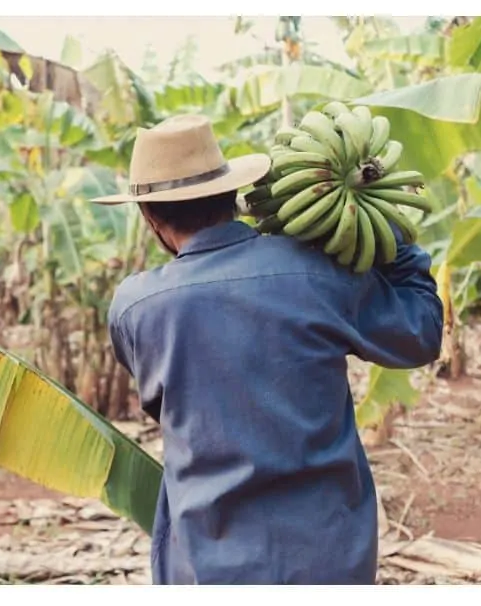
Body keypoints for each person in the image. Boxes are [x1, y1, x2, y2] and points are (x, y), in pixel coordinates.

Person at [92, 114, 444, 584]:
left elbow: (167, 401)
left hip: (204, 564)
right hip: (329, 558)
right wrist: (390, 235)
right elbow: (421, 334)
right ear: (232, 195)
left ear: (151, 217)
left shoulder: (136, 307)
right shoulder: (319, 273)